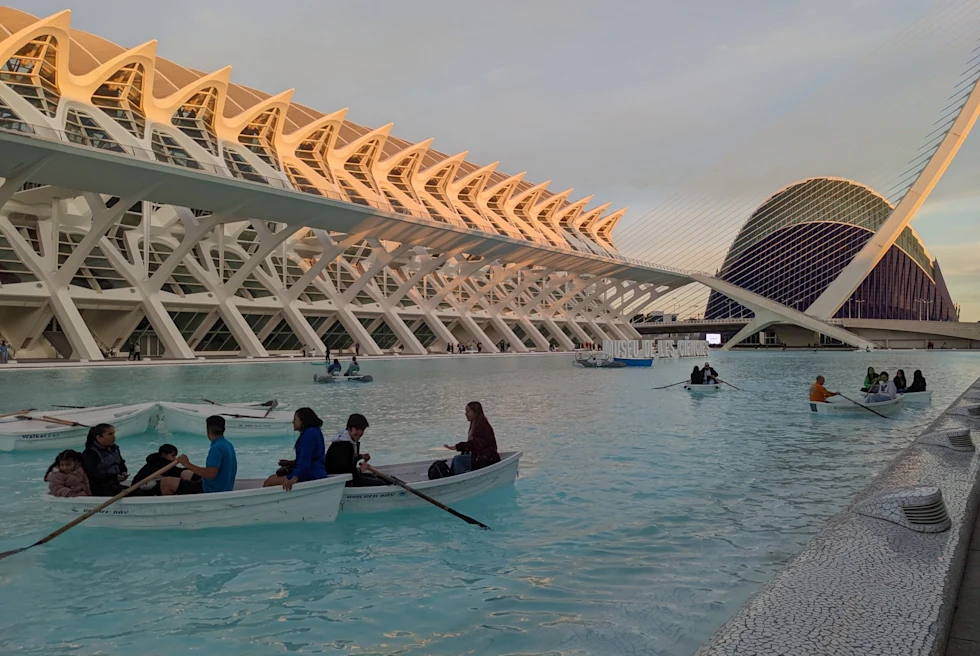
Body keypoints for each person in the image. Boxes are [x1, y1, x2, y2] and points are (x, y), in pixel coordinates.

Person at [264, 408, 327, 490]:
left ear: (302, 420)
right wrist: (291, 463)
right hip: (314, 470)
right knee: (272, 477)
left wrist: (294, 478)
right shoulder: (314, 431)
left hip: (310, 473)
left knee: (268, 482)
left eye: (295, 419)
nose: (293, 422)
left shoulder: (309, 435)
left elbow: (305, 459)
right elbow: (311, 456)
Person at [176, 415, 238, 493]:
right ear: (223, 430)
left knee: (167, 483)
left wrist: (187, 464)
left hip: (211, 489)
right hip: (224, 486)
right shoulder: (228, 444)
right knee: (185, 473)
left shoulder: (216, 448)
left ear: (208, 431)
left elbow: (211, 474)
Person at [326, 413, 387, 486]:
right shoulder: (342, 445)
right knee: (380, 483)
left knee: (376, 477)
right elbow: (344, 470)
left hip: (348, 477)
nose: (360, 433)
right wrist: (360, 469)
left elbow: (349, 460)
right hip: (341, 481)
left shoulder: (350, 440)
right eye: (357, 429)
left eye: (362, 430)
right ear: (350, 428)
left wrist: (360, 457)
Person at [444, 401, 500, 475]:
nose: (465, 414)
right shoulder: (474, 424)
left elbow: (476, 444)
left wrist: (458, 446)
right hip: (479, 456)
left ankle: (460, 481)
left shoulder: (483, 427)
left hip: (487, 458)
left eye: (468, 412)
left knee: (458, 460)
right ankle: (451, 478)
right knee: (456, 459)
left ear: (475, 413)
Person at [82, 423, 128, 496]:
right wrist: (114, 477)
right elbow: (91, 475)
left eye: (114, 433)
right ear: (99, 438)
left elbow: (121, 463)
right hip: (98, 489)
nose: (114, 437)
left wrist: (123, 472)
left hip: (114, 485)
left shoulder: (114, 449)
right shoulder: (90, 453)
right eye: (110, 434)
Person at [133, 444, 197, 495]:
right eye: (173, 456)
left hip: (143, 484)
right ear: (165, 455)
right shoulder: (160, 463)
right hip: (140, 487)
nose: (175, 458)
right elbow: (176, 472)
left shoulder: (156, 460)